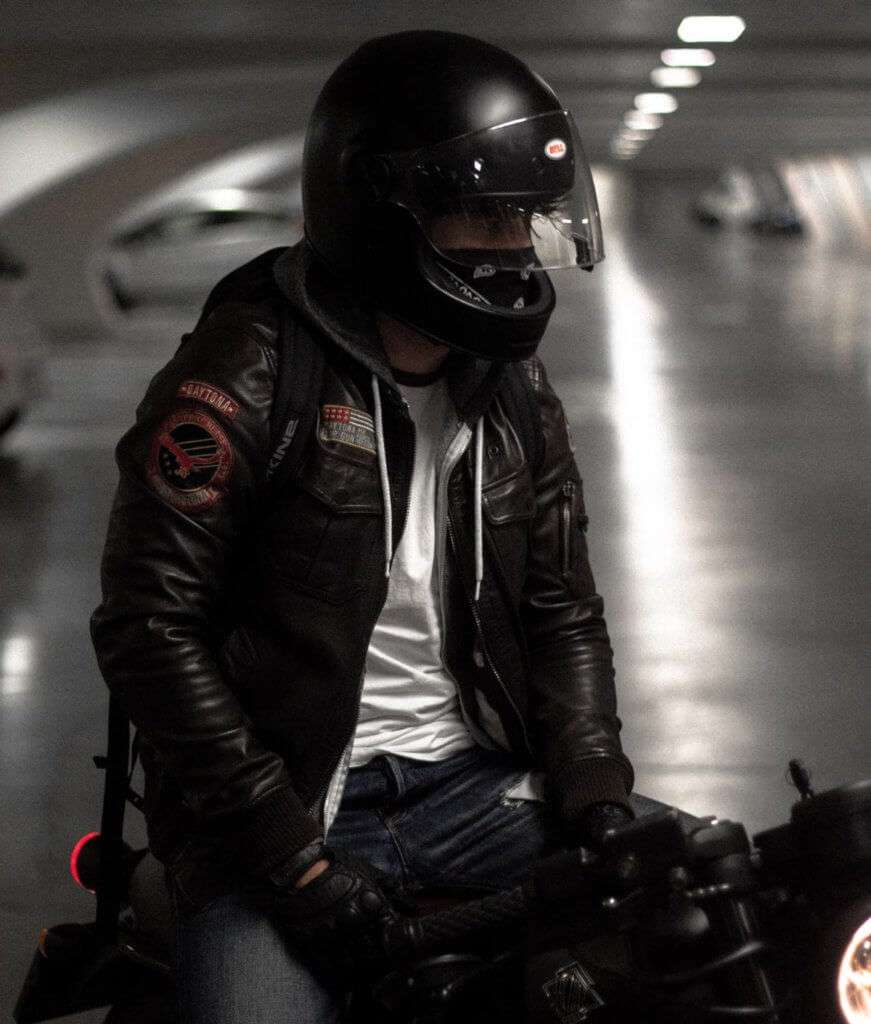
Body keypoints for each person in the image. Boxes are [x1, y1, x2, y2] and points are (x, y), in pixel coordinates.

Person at [91, 30, 696, 1024]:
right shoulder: (239, 376)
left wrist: (594, 791)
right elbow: (147, 631)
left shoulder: (510, 391)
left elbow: (560, 609)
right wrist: (293, 862)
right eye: (476, 220)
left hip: (465, 787)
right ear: (377, 213)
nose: (509, 255)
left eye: (521, 223)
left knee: (704, 909)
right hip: (275, 817)